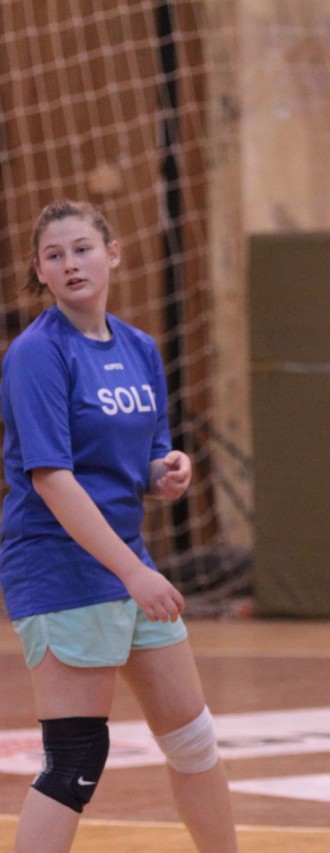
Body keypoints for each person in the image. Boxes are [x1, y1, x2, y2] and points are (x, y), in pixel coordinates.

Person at [1, 200, 238, 853]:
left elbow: (145, 460)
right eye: (54, 255)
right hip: (61, 568)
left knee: (193, 740)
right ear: (40, 271)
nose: (71, 263)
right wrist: (135, 572)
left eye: (82, 248)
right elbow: (52, 479)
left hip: (125, 564)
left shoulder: (139, 348)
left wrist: (166, 472)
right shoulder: (38, 354)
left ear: (113, 253)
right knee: (75, 758)